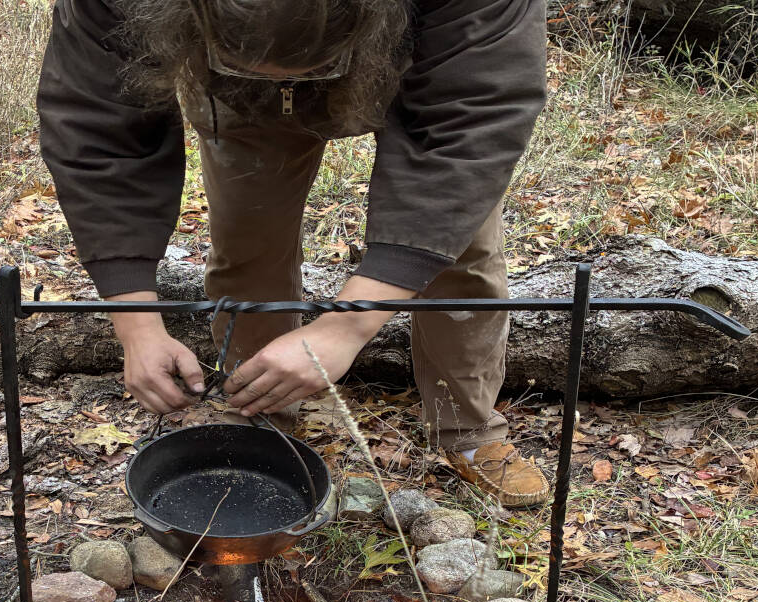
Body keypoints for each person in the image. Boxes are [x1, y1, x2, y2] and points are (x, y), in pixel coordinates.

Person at [37, 0, 551, 507]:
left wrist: (346, 327)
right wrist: (136, 324)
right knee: (248, 237)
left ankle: (467, 427)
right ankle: (259, 409)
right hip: (233, 92)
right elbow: (100, 130)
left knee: (459, 246)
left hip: (422, 56)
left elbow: (465, 133)